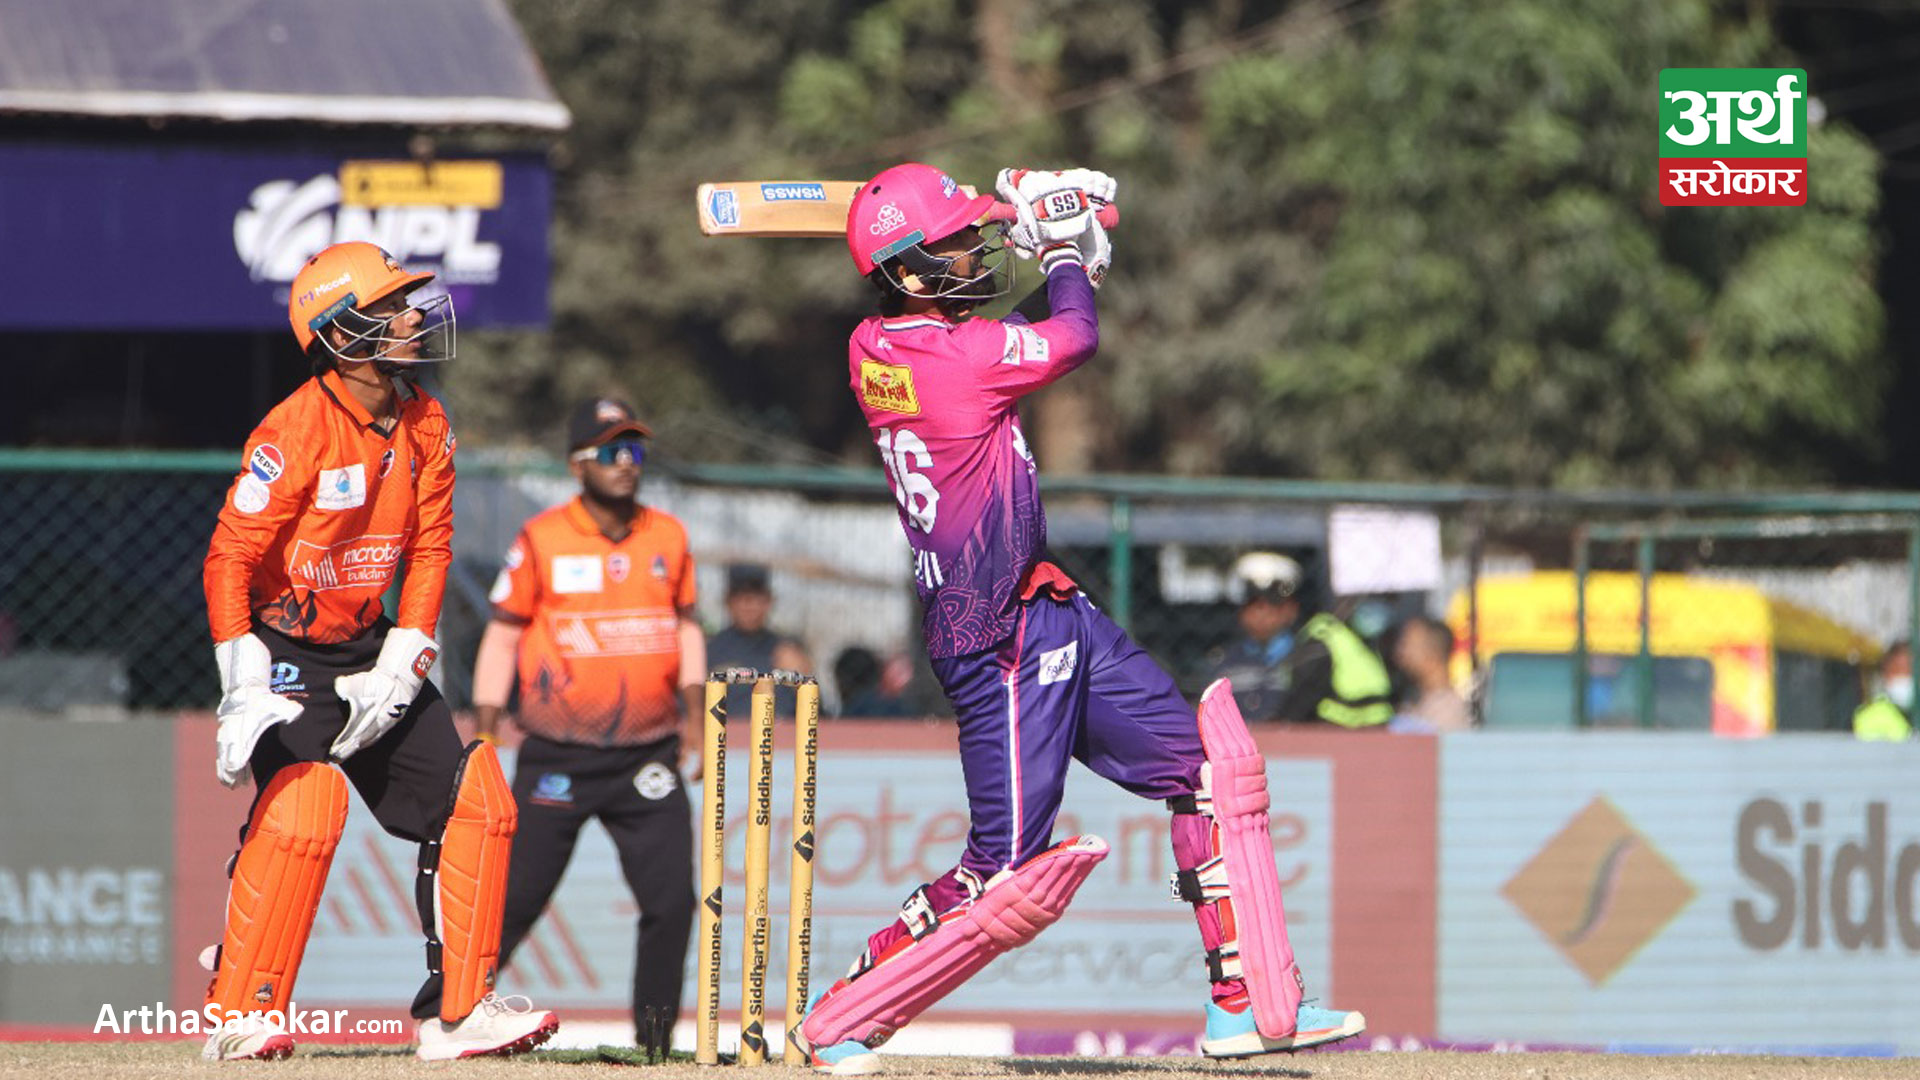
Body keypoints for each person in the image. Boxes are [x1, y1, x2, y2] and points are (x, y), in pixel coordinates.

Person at [794, 164, 1363, 1075]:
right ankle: (843, 1018)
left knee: (1213, 774)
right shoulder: (959, 361)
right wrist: (1061, 250)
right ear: (908, 272)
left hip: (1050, 606)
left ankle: (1246, 1005)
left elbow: (1010, 343)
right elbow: (1072, 338)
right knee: (1004, 874)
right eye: (958, 245)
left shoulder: (879, 346)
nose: (976, 254)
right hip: (998, 639)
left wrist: (1055, 252)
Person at [200, 241, 556, 1061]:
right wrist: (240, 671)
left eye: (405, 303)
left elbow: (430, 547)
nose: (409, 318)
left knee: (477, 804)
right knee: (304, 808)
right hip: (285, 651)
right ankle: (241, 1011)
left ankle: (457, 1016)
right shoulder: (294, 429)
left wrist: (407, 652)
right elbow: (230, 556)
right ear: (339, 333)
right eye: (387, 308)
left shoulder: (427, 419)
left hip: (369, 645)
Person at [471, 397, 704, 1041]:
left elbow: (686, 627)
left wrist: (694, 719)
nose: (626, 463)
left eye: (635, 450)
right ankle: (452, 1016)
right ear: (578, 463)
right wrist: (485, 729)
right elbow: (502, 635)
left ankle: (654, 1045)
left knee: (672, 903)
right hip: (557, 754)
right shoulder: (542, 537)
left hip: (647, 754)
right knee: (514, 901)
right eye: (610, 451)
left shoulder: (668, 536)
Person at [1207, 551, 1392, 729]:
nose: (1262, 613)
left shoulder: (1316, 654)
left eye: (1273, 604)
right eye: (1253, 604)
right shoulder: (1222, 661)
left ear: (1292, 609)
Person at [707, 562, 813, 713]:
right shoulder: (710, 652)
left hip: (780, 727)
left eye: (757, 599)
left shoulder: (786, 650)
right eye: (743, 599)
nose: (749, 607)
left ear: (769, 602)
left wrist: (802, 682)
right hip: (727, 727)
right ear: (728, 601)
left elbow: (817, 714)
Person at [1387, 615, 1473, 733]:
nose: (1399, 655)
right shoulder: (1412, 703)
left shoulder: (1448, 712)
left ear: (1433, 655)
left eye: (1407, 646)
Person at [1852, 639, 1912, 740]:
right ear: (1885, 672)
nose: (1904, 676)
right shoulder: (1871, 716)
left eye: (1909, 671)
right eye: (1897, 669)